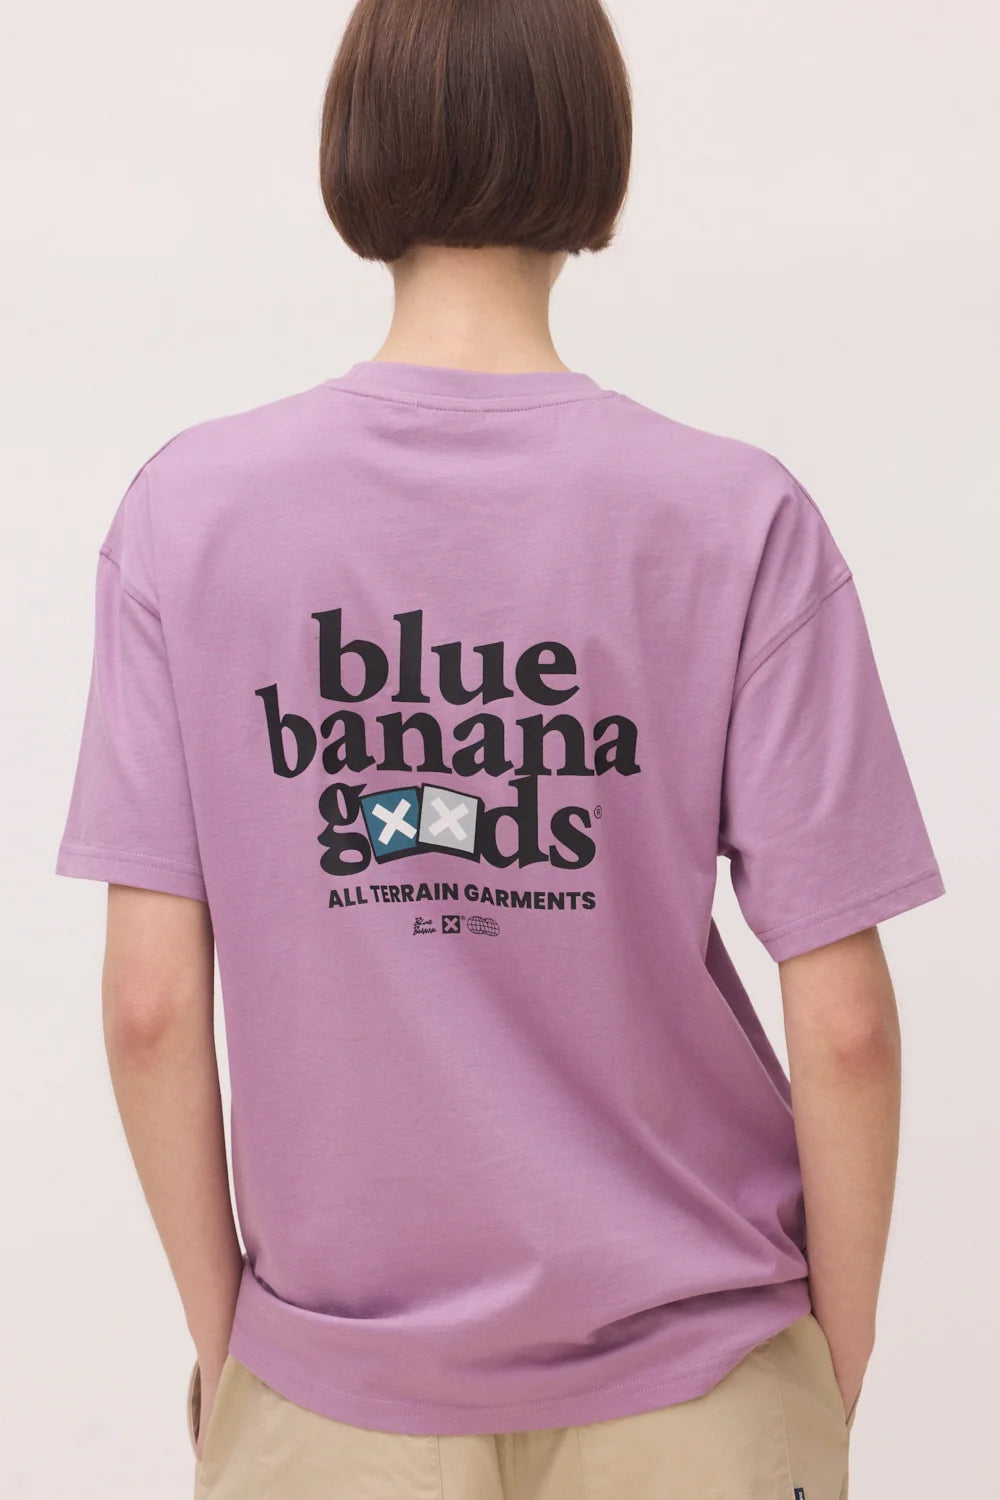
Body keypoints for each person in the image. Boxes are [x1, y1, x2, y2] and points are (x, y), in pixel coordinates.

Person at [54, 1, 945, 1497]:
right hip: (700, 1372)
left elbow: (150, 1006)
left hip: (333, 1386)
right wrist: (827, 1370)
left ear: (357, 143)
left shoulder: (188, 516)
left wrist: (235, 1350)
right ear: (593, 144)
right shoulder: (735, 519)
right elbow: (845, 1021)